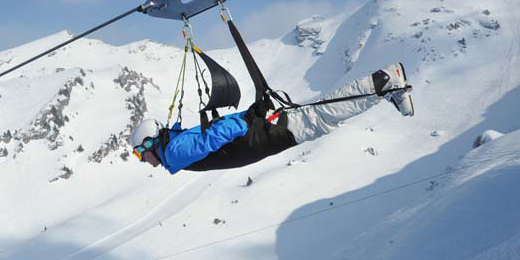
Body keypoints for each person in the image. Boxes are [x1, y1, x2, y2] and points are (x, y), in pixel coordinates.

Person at [131, 63, 414, 174]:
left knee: (322, 117)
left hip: (261, 137)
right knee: (320, 114)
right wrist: (251, 116)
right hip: (258, 133)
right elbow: (211, 136)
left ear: (150, 142)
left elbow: (213, 138)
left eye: (140, 153)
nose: (144, 160)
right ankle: (383, 88)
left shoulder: (174, 152)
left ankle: (385, 81)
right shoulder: (174, 146)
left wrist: (246, 121)